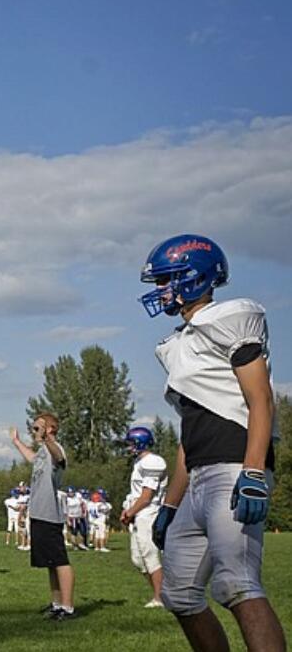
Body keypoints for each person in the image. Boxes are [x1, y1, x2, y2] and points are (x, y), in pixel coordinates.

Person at [139, 235, 284, 651]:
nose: (159, 290)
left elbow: (261, 400)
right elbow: (189, 435)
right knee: (180, 594)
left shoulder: (231, 319)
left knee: (237, 583)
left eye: (165, 280)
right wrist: (169, 505)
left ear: (193, 277)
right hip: (199, 477)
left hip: (234, 469)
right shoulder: (176, 344)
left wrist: (253, 471)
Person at [10, 414, 76, 620]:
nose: (34, 432)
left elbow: (59, 458)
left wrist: (47, 438)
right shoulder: (41, 452)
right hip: (38, 513)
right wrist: (16, 441)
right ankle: (57, 604)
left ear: (50, 429)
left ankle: (68, 607)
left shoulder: (55, 448)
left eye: (37, 428)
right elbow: (31, 458)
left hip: (49, 514)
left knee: (60, 561)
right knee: (49, 562)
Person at [118, 427, 167, 607]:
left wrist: (131, 512)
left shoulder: (153, 462)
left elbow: (147, 496)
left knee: (149, 555)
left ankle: (160, 597)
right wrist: (128, 509)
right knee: (138, 559)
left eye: (131, 443)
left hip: (149, 513)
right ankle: (160, 593)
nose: (129, 447)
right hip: (139, 513)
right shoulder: (140, 462)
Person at [88, 489, 112, 553]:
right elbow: (107, 510)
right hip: (100, 520)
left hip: (94, 520)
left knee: (97, 535)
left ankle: (96, 547)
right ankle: (102, 547)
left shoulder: (90, 505)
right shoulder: (101, 505)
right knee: (102, 534)